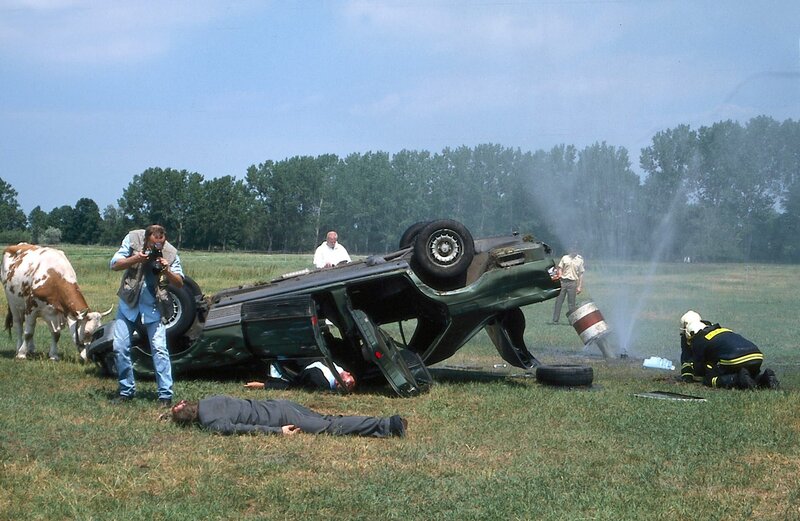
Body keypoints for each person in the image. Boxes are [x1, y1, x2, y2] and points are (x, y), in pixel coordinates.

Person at [110, 224, 185, 406]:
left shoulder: (170, 253)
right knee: (120, 347)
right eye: (153, 245)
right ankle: (126, 391)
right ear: (146, 238)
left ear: (164, 240)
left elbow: (180, 282)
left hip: (153, 307)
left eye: (160, 244)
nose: (156, 248)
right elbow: (114, 264)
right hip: (129, 304)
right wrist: (136, 258)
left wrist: (166, 270)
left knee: (159, 349)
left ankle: (165, 395)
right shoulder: (133, 239)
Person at [164, 395, 407, 437]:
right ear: (187, 404)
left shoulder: (212, 423)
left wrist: (277, 432)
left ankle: (387, 425)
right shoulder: (211, 399)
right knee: (328, 419)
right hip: (280, 405)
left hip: (281, 418)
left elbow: (245, 429)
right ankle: (383, 425)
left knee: (331, 426)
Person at [679, 310, 779, 390]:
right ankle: (765, 378)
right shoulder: (721, 330)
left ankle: (736, 379)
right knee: (750, 375)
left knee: (709, 379)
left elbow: (699, 370)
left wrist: (690, 375)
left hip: (736, 359)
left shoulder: (699, 340)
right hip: (756, 356)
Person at [248, 361, 356, 392]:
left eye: (348, 380)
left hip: (288, 362)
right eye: (349, 375)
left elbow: (293, 386)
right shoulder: (340, 370)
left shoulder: (319, 381)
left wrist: (263, 385)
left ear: (338, 383)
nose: (349, 373)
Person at [551, 246, 585, 324]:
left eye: (576, 249)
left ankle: (572, 321)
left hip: (572, 283)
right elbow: (560, 268)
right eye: (573, 249)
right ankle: (555, 320)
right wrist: (559, 274)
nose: (574, 251)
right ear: (570, 249)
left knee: (571, 303)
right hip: (563, 282)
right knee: (559, 301)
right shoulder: (565, 258)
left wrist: (579, 286)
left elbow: (581, 274)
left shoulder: (580, 260)